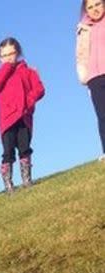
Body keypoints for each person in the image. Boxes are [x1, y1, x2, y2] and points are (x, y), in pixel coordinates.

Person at [0, 37, 45, 191]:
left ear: (18, 53)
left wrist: (29, 101)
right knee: (8, 151)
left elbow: (39, 89)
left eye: (12, 53)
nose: (9, 58)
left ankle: (27, 180)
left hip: (24, 116)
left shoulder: (28, 71)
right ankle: (8, 184)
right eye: (5, 55)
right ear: (0, 58)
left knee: (24, 147)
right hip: (7, 119)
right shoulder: (1, 73)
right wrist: (7, 67)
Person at [76, 0, 105, 160]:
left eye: (98, 4)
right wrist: (84, 75)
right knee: (102, 115)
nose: (95, 9)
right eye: (91, 7)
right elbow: (80, 54)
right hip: (94, 77)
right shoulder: (84, 28)